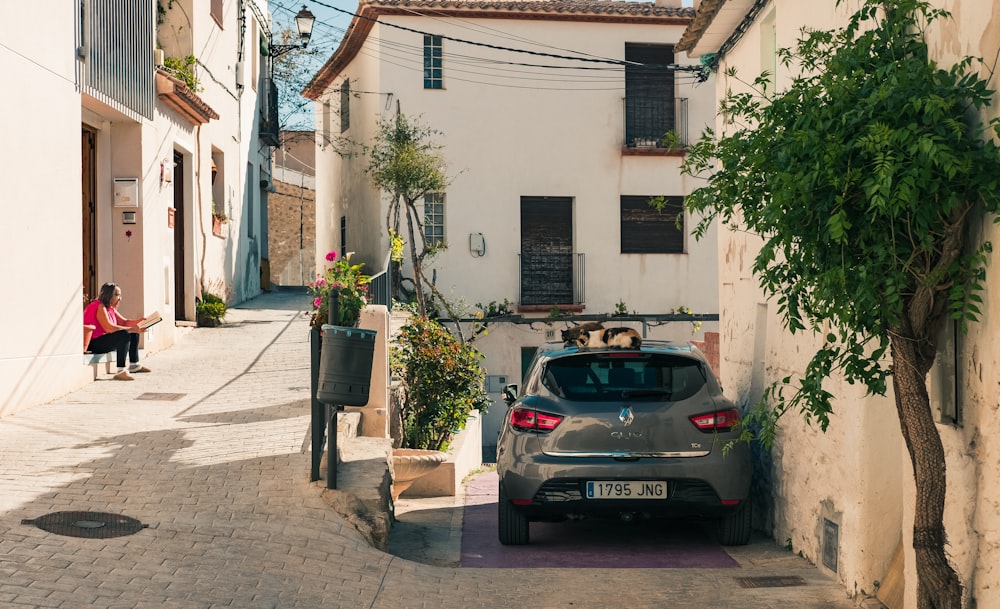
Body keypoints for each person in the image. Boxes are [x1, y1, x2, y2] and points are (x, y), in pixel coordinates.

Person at [83, 282, 152, 381]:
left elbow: (124, 322)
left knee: (133, 332)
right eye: (117, 295)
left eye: (120, 295)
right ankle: (121, 370)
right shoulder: (98, 306)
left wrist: (139, 322)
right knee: (124, 334)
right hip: (94, 343)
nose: (120, 298)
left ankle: (134, 365)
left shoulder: (109, 308)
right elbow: (109, 328)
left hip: (104, 340)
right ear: (108, 294)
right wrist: (132, 328)